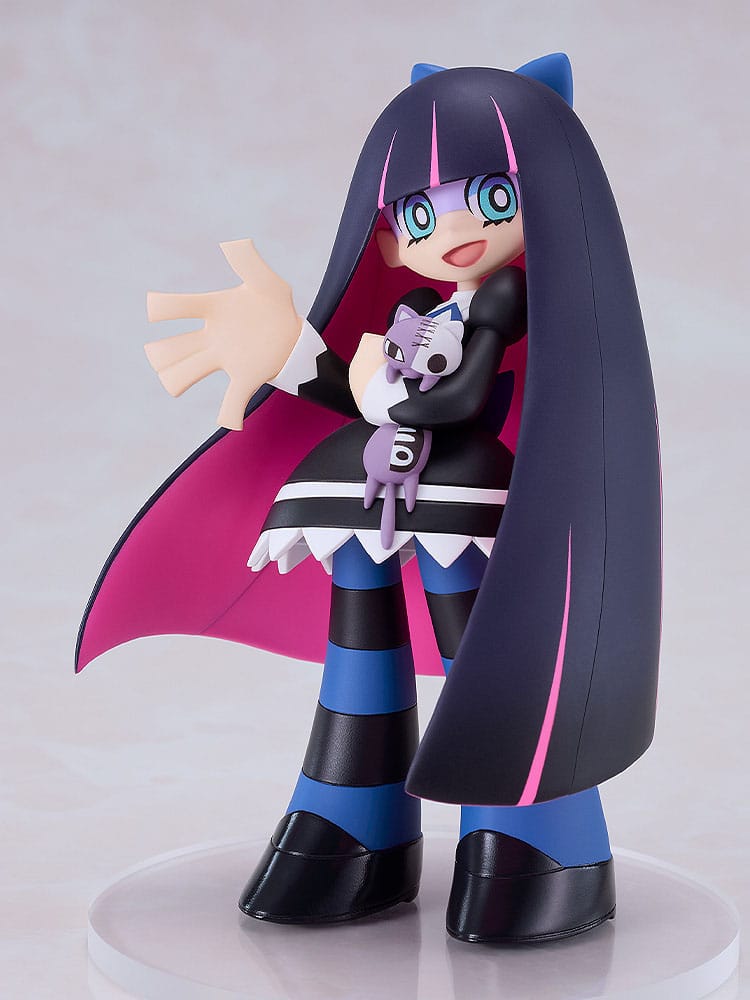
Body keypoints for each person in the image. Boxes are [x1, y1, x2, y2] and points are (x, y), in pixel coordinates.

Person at [77, 55, 661, 943]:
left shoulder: (509, 298)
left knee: (480, 644)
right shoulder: (419, 310)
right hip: (374, 483)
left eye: (491, 198)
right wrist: (289, 351)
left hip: (463, 492)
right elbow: (360, 392)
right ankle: (354, 809)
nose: (453, 229)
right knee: (357, 631)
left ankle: (535, 829)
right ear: (386, 236)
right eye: (420, 213)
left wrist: (391, 401)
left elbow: (459, 398)